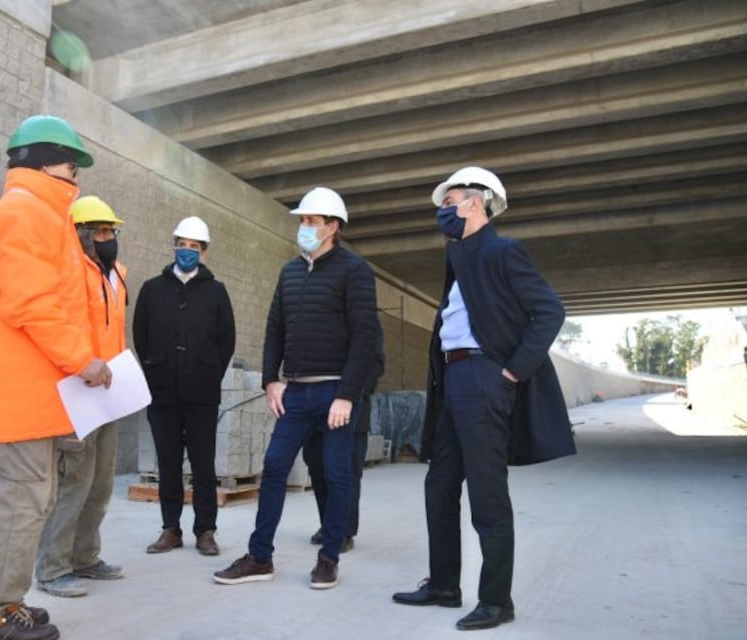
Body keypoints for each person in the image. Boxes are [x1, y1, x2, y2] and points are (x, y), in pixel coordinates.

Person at [392, 166, 575, 631]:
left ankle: (496, 600)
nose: (442, 212)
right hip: (452, 380)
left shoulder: (502, 250)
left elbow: (550, 311)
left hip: (484, 376)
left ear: (476, 202)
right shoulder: (458, 257)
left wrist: (512, 370)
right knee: (439, 486)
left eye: (449, 201)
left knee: (487, 494)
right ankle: (444, 584)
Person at [0, 115, 111, 640]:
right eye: (71, 165)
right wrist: (81, 360)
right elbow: (34, 304)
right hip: (19, 389)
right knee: (24, 501)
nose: (76, 177)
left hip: (33, 390)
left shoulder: (41, 214)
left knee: (30, 499)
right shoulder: (26, 213)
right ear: (42, 160)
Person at [213, 186, 378, 590]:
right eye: (301, 220)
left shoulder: (354, 271)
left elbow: (365, 337)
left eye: (311, 221)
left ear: (332, 227)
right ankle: (260, 557)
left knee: (338, 474)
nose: (303, 227)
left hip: (334, 391)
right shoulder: (289, 271)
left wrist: (347, 394)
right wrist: (271, 379)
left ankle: (329, 557)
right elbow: (275, 328)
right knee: (274, 468)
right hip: (297, 392)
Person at [35, 196, 128, 598]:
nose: (109, 240)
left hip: (108, 392)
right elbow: (57, 329)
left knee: (101, 483)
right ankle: (54, 569)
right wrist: (79, 366)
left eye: (112, 232)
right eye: (102, 232)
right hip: (75, 392)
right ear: (81, 235)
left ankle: (85, 558)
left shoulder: (117, 275)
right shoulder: (67, 273)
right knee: (74, 481)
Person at [134, 216, 236, 556]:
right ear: (174, 245)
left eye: (194, 247)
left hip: (201, 394)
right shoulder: (152, 289)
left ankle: (205, 530)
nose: (187, 251)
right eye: (182, 244)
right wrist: (155, 371)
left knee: (204, 464)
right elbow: (141, 336)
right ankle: (171, 529)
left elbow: (226, 341)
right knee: (168, 463)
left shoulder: (216, 292)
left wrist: (207, 373)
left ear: (204, 253)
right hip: (162, 392)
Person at [304, 323, 384, 553]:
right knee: (317, 466)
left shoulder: (366, 320)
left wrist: (355, 394)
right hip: (317, 407)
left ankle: (344, 531)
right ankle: (328, 525)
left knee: (346, 471)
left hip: (352, 407)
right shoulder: (322, 316)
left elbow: (376, 362)